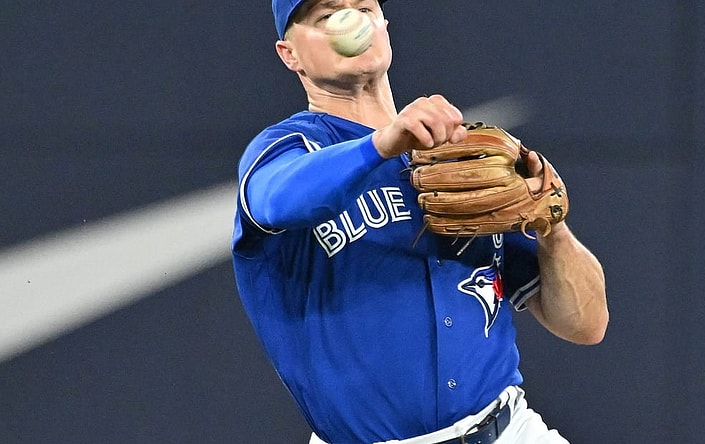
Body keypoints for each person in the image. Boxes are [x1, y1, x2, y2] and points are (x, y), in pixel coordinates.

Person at [231, 0, 609, 442]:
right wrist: (380, 144)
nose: (354, 21)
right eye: (328, 15)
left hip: (508, 429)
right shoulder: (287, 149)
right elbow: (277, 200)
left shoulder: (457, 158)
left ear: (385, 26)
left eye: (365, 7)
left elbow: (586, 325)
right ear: (288, 53)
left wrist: (552, 228)